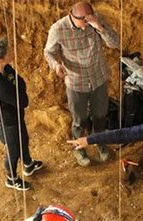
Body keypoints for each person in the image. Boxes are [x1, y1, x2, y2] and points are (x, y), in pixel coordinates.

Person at [44, 1, 119, 166]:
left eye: (89, 21)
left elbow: (114, 43)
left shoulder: (96, 20)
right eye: (83, 22)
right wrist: (56, 65)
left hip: (98, 79)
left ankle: (100, 143)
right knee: (79, 119)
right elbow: (48, 52)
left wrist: (99, 27)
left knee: (100, 115)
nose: (86, 26)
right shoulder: (58, 29)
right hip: (76, 82)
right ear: (72, 15)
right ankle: (79, 148)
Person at [0, 38, 43, 191]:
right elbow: (23, 101)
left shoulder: (5, 69)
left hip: (15, 117)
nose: (11, 52)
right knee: (13, 152)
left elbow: (21, 82)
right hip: (6, 124)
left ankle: (28, 165)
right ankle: (12, 179)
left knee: (23, 140)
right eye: (8, 51)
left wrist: (18, 86)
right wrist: (18, 87)